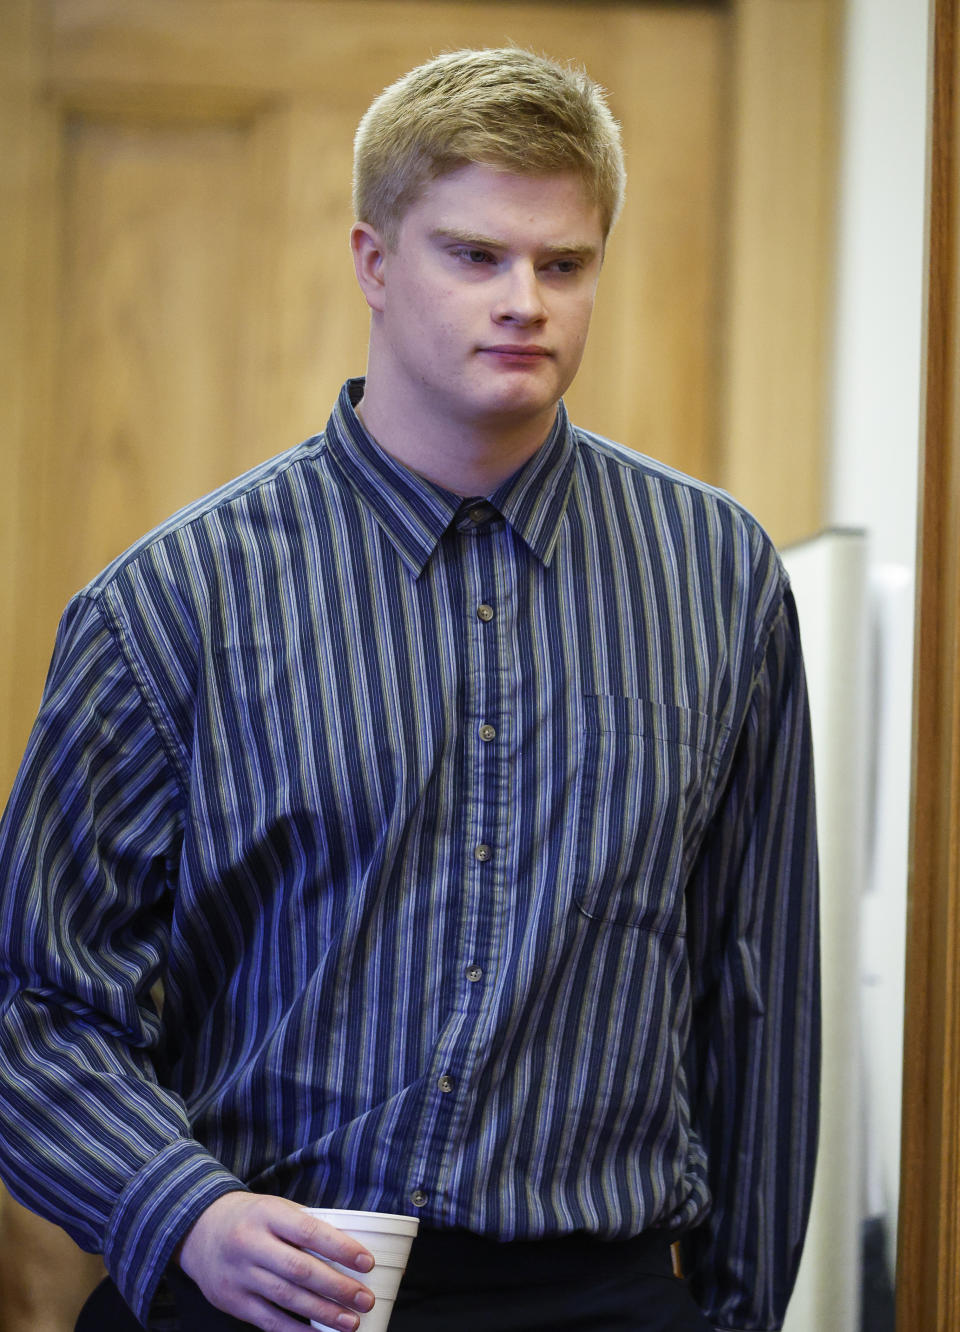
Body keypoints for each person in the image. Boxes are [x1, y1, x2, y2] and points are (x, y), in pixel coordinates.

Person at [0, 47, 819, 1332]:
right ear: (375, 263)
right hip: (259, 1287)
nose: (524, 302)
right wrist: (182, 1213)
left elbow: (753, 988)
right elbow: (35, 1004)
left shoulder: (717, 578)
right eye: (474, 256)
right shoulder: (175, 600)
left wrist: (739, 1314)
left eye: (564, 265)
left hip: (595, 1293)